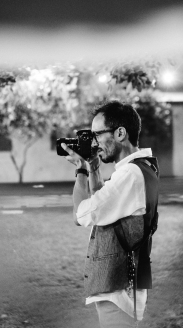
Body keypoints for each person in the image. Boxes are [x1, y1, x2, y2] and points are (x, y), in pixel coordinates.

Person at [61, 99, 159, 328]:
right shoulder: (143, 168)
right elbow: (103, 203)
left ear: (120, 133)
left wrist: (81, 171)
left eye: (97, 135)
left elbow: (81, 214)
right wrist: (93, 166)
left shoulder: (130, 174)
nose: (93, 142)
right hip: (122, 291)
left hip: (118, 294)